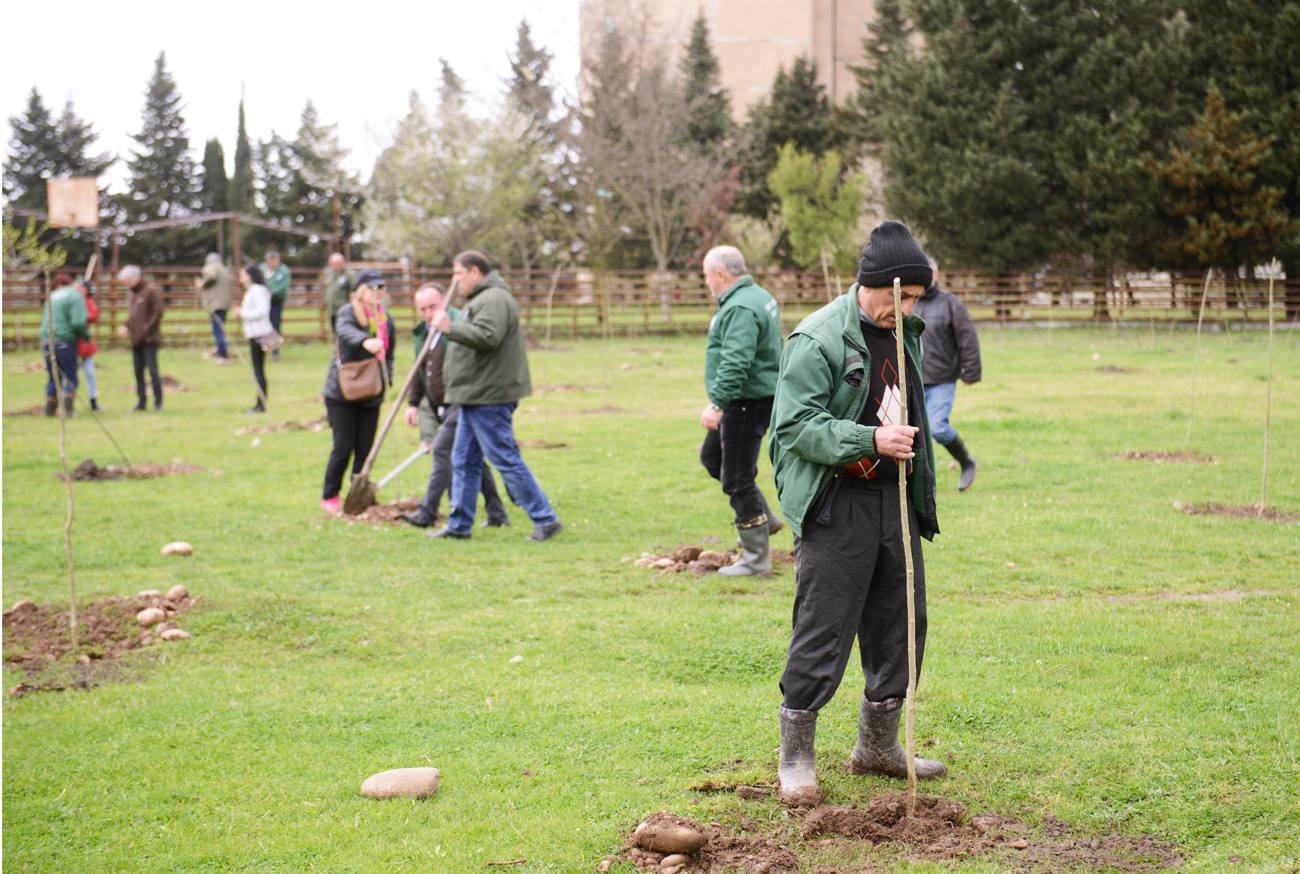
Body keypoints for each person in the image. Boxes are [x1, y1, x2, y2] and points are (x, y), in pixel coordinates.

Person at [768, 220, 946, 807]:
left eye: (918, 298)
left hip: (895, 499)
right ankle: (796, 756)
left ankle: (877, 746)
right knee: (824, 625)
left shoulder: (905, 330)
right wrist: (870, 440)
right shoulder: (817, 339)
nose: (912, 309)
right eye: (905, 296)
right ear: (876, 284)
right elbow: (794, 427)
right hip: (836, 500)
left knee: (901, 622)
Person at [426, 251, 562, 541]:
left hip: (489, 394)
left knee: (504, 457)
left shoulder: (494, 299)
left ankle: (545, 518)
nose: (455, 281)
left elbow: (489, 337)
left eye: (458, 274)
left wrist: (450, 328)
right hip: (475, 393)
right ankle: (460, 525)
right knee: (463, 459)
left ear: (475, 272)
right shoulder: (482, 299)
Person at [698, 245, 784, 576]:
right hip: (751, 397)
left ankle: (755, 559)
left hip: (745, 402)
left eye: (706, 275)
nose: (706, 282)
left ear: (721, 274)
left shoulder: (740, 308)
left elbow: (737, 361)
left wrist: (718, 403)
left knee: (737, 478)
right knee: (712, 458)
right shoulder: (757, 296)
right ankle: (765, 519)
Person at [399, 284, 510, 528]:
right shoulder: (424, 331)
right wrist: (413, 403)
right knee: (473, 457)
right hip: (442, 404)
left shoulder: (460, 324)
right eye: (422, 309)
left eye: (433, 307)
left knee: (442, 450)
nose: (428, 313)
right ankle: (497, 513)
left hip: (462, 401)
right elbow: (420, 368)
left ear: (444, 302)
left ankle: (427, 513)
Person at [319, 269, 395, 514]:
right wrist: (365, 340)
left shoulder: (385, 320)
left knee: (365, 448)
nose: (377, 292)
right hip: (342, 392)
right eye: (372, 287)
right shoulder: (348, 312)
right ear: (361, 290)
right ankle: (330, 495)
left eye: (381, 287)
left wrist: (387, 377)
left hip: (371, 392)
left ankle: (356, 497)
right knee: (343, 446)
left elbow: (390, 354)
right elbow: (344, 331)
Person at [913, 255, 981, 491]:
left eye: (928, 272)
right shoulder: (908, 303)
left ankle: (967, 462)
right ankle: (918, 483)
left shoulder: (951, 304)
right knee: (911, 435)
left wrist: (971, 371)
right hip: (912, 379)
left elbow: (967, 338)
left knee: (938, 428)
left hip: (942, 379)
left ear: (937, 275)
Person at [39, 271, 88, 416]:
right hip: (64, 341)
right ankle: (68, 410)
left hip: (46, 340)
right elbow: (78, 322)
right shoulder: (75, 296)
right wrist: (86, 336)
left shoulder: (52, 296)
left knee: (53, 376)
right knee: (70, 376)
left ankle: (50, 409)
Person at [116, 265, 164, 412]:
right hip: (135, 339)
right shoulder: (131, 293)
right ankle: (141, 402)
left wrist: (147, 329)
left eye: (127, 280)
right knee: (138, 372)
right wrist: (125, 325)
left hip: (149, 340)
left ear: (135, 278)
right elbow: (133, 315)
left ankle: (158, 403)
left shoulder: (150, 291)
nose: (125, 283)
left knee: (153, 371)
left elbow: (158, 312)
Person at [236, 264, 273, 413]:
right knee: (258, 369)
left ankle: (261, 404)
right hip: (256, 333)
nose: (241, 278)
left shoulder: (257, 290)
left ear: (250, 276)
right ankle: (260, 402)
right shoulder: (253, 290)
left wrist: (242, 313)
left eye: (243, 275)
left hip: (260, 334)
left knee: (258, 370)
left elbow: (262, 311)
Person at [197, 253, 234, 361]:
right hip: (224, 304)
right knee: (220, 329)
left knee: (217, 330)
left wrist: (202, 284)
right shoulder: (224, 269)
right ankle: (220, 350)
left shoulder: (211, 267)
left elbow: (212, 276)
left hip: (215, 304)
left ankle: (223, 354)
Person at [76, 278, 101, 411]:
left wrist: (81, 315)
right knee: (71, 375)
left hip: (85, 345)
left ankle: (93, 401)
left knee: (90, 373)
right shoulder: (72, 301)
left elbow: (93, 316)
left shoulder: (89, 302)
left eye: (80, 287)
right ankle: (68, 403)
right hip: (72, 344)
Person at [262, 249, 291, 359]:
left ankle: (275, 351)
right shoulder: (262, 269)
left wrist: (272, 293)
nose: (272, 262)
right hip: (263, 302)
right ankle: (265, 347)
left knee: (275, 325)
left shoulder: (284, 271)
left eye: (274, 260)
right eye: (270, 260)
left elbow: (284, 286)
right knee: (264, 325)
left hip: (276, 302)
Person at [321, 252, 353, 334]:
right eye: (334, 264)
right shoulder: (328, 273)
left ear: (343, 262)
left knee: (344, 329)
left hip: (344, 309)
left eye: (338, 263)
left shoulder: (349, 274)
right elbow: (325, 288)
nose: (336, 266)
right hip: (331, 308)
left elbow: (353, 290)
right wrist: (324, 301)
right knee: (334, 329)